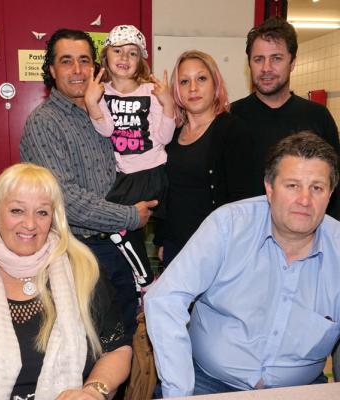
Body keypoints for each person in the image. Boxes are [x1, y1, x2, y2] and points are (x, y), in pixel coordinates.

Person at [145, 132, 340, 398]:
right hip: (207, 381)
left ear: (330, 194)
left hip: (300, 388)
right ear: (269, 188)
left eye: (316, 188)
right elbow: (164, 299)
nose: (304, 200)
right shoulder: (228, 226)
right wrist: (181, 393)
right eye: (292, 185)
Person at [0, 163, 132, 400]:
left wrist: (93, 391)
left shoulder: (84, 272)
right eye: (17, 211)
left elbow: (117, 349)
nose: (30, 224)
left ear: (54, 217)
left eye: (42, 212)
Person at [20, 29, 157, 335]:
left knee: (122, 338)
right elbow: (64, 198)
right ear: (52, 70)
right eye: (66, 61)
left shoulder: (106, 110)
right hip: (76, 252)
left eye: (84, 60)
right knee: (84, 345)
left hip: (120, 248)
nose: (78, 70)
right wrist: (130, 215)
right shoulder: (44, 122)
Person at [84, 24, 175, 287]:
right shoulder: (102, 92)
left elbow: (164, 137)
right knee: (120, 225)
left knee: (114, 221)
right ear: (106, 57)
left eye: (132, 53)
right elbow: (106, 129)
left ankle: (144, 278)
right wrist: (92, 103)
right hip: (124, 175)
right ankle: (142, 279)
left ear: (140, 60)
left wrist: (168, 103)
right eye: (118, 51)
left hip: (152, 171)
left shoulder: (150, 91)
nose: (124, 57)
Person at [230, 16, 340, 219]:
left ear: (293, 63)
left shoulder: (318, 117)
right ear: (249, 64)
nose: (266, 68)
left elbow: (334, 183)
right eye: (258, 59)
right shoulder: (230, 117)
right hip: (242, 230)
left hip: (305, 231)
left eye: (276, 58)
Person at [155, 50, 255, 266]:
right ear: (176, 90)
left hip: (217, 250)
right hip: (176, 247)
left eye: (201, 78)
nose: (193, 88)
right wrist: (162, 239)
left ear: (215, 84)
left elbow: (246, 200)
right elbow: (168, 195)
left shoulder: (233, 130)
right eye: (184, 81)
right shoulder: (170, 134)